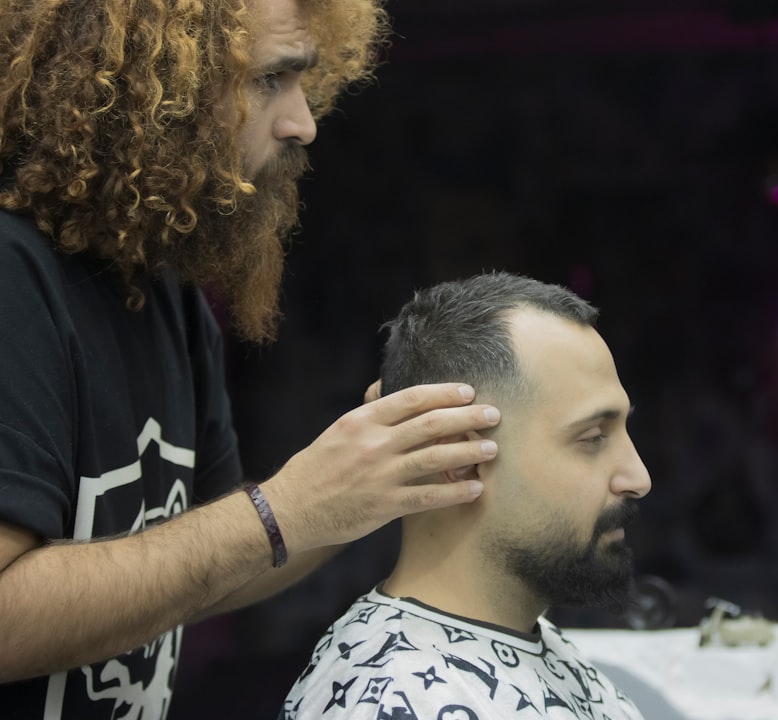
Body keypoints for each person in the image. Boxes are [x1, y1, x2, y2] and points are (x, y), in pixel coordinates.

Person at [0, 0, 502, 717]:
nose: (303, 121)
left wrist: (371, 480)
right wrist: (285, 509)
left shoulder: (162, 290)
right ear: (155, 90)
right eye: (271, 79)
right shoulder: (12, 277)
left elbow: (206, 566)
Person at [281, 272, 652, 720]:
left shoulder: (527, 640)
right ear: (458, 457)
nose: (638, 478)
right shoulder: (395, 699)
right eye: (593, 437)